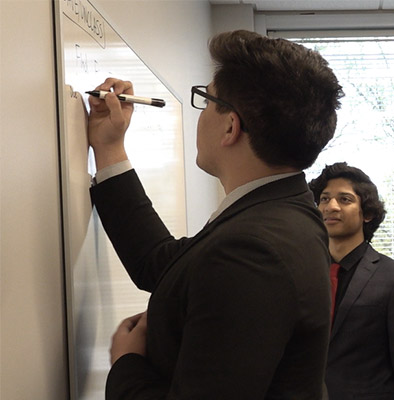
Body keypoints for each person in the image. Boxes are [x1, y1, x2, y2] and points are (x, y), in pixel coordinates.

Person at [87, 30, 344, 399]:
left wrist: (127, 364)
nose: (201, 112)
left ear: (230, 126)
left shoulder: (253, 248)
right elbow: (160, 263)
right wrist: (110, 147)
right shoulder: (286, 213)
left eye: (206, 99)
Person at [309, 162, 394, 400]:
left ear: (367, 213)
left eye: (344, 199)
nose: (331, 206)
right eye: (324, 199)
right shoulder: (303, 275)